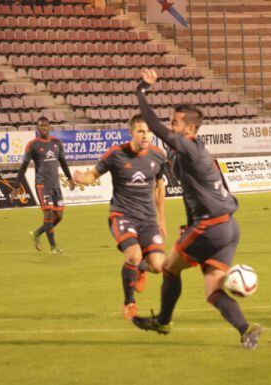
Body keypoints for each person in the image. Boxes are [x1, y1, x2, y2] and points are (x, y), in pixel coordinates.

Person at [130, 69, 262, 349]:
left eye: (175, 123)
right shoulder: (188, 153)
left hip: (211, 227)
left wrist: (141, 91)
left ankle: (163, 321)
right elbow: (198, 193)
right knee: (213, 289)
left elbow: (154, 127)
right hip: (227, 228)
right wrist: (190, 222)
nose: (170, 126)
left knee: (169, 269)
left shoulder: (189, 148)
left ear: (189, 130)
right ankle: (246, 329)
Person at [73, 115, 168, 320]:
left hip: (148, 219)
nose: (145, 135)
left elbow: (159, 187)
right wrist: (83, 178)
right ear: (131, 133)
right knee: (133, 255)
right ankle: (129, 303)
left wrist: (161, 220)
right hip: (122, 214)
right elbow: (93, 174)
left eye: (148, 131)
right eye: (141, 131)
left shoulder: (159, 155)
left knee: (159, 266)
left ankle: (141, 268)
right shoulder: (116, 154)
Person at [15, 117, 75, 255]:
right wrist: (15, 186)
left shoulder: (56, 143)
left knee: (58, 216)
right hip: (42, 185)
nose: (43, 128)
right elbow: (24, 166)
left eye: (45, 126)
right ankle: (54, 247)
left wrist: (70, 179)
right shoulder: (33, 145)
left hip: (55, 185)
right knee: (48, 213)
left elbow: (63, 162)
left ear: (49, 127)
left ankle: (37, 233)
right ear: (38, 128)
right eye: (40, 126)